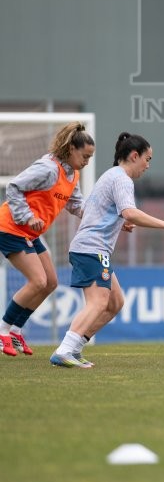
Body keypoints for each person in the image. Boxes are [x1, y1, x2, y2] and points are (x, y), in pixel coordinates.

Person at [49, 132, 164, 368]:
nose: (148, 166)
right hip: (92, 249)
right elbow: (129, 211)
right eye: (147, 159)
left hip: (92, 249)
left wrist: (119, 223)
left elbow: (98, 211)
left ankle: (75, 349)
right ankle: (64, 350)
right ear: (134, 156)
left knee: (115, 303)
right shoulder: (121, 178)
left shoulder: (111, 176)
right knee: (99, 302)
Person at [0, 122, 93, 357]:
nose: (87, 161)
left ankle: (16, 331)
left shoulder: (73, 173)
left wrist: (104, 216)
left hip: (30, 232)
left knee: (51, 282)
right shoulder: (48, 168)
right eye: (85, 156)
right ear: (71, 148)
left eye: (90, 157)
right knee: (38, 281)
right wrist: (28, 216)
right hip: (10, 226)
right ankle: (2, 331)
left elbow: (76, 205)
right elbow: (14, 187)